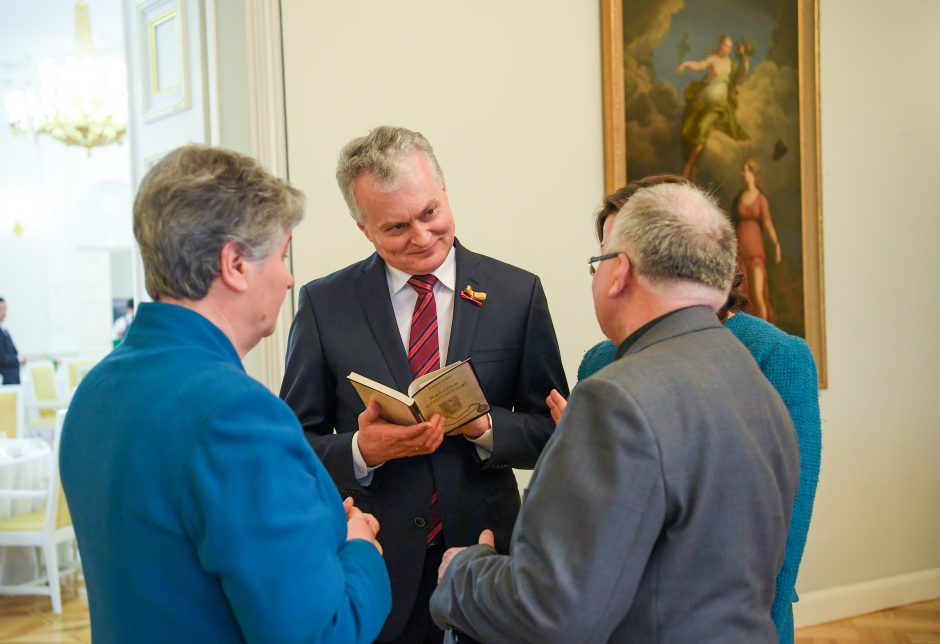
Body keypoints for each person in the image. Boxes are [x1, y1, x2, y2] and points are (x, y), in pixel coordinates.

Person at [431, 177, 799, 642]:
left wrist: (463, 573)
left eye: (597, 261)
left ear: (620, 272)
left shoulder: (616, 399)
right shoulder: (754, 383)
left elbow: (553, 611)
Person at [60, 145, 392, 643]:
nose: (288, 277)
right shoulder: (236, 416)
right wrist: (359, 545)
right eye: (281, 255)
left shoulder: (97, 389)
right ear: (235, 264)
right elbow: (324, 632)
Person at [280, 125, 568, 643]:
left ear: (444, 193)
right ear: (363, 228)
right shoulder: (325, 305)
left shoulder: (516, 293)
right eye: (395, 228)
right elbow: (292, 448)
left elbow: (553, 435)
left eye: (430, 213)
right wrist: (361, 450)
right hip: (374, 566)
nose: (421, 236)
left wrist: (484, 427)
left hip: (489, 559)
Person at [677, 35, 751, 181]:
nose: (727, 49)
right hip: (703, 102)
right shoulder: (713, 59)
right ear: (720, 45)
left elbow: (741, 74)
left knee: (702, 126)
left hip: (718, 107)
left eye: (729, 47)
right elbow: (698, 65)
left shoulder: (730, 63)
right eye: (725, 46)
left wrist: (743, 56)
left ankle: (689, 165)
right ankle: (692, 167)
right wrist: (684, 64)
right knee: (691, 128)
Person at [733, 156, 781, 321]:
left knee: (758, 294)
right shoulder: (739, 197)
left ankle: (766, 338)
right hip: (741, 251)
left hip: (755, 251)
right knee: (743, 297)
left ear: (753, 173)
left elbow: (767, 224)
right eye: (743, 170)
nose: (743, 173)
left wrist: (776, 244)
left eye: (746, 170)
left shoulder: (760, 198)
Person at [0, 297, 25, 385]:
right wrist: (18, 360)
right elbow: (2, 357)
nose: (3, 312)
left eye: (5, 308)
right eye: (0, 309)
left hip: (13, 376)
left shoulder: (4, 330)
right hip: (5, 377)